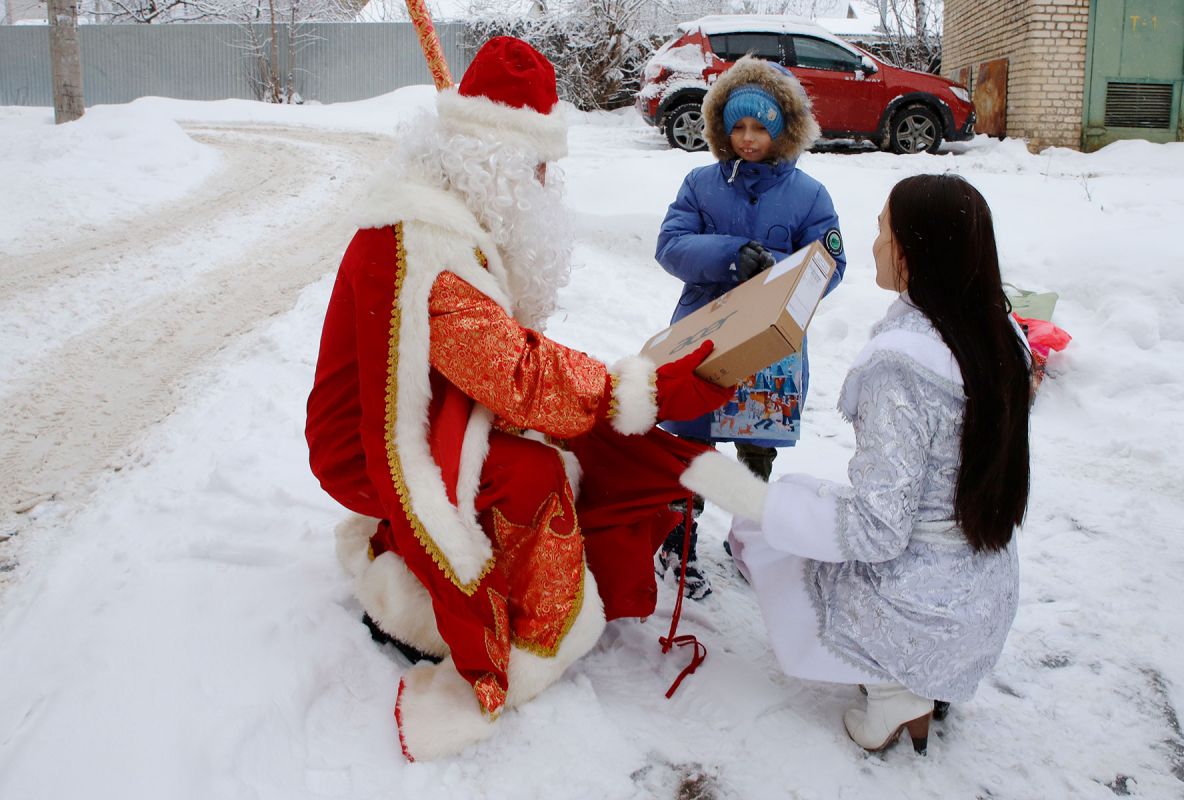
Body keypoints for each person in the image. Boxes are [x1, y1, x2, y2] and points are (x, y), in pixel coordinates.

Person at [304, 37, 732, 761]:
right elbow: (514, 373)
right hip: (368, 447)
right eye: (535, 168)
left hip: (430, 408)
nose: (542, 183)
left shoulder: (448, 212)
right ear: (494, 162)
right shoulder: (428, 235)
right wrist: (638, 388)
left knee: (565, 437)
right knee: (533, 472)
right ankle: (527, 639)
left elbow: (498, 360)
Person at [679, 174, 1032, 755]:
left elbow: (877, 529)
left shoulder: (903, 366)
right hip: (984, 599)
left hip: (921, 611)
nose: (871, 243)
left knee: (767, 530)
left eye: (881, 229)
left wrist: (754, 501)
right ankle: (923, 678)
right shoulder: (997, 336)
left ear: (913, 248)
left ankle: (894, 683)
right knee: (802, 499)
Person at [654, 56, 847, 598]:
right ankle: (678, 541)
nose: (747, 138)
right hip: (704, 333)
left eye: (760, 127)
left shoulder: (809, 196)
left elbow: (830, 265)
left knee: (758, 445)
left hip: (770, 344)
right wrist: (731, 256)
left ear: (783, 128)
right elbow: (671, 247)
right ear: (720, 128)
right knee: (692, 440)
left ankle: (748, 542)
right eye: (737, 126)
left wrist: (780, 275)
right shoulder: (699, 184)